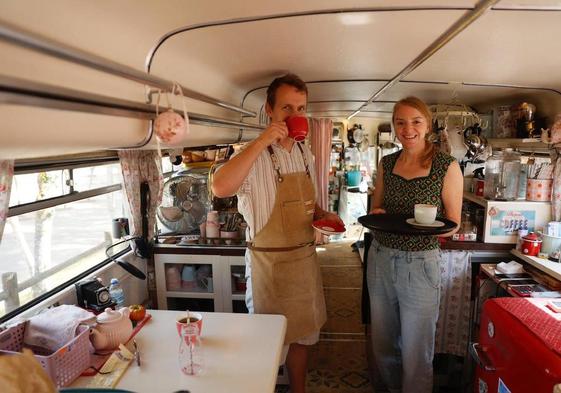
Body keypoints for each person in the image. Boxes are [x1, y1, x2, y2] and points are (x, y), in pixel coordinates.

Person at [212, 73, 343, 393]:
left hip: (304, 262)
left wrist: (323, 215)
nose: (295, 116)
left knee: (302, 340)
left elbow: (307, 206)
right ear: (269, 109)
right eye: (287, 108)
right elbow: (220, 187)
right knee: (267, 348)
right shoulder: (250, 153)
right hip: (268, 268)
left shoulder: (304, 153)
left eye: (301, 108)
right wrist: (261, 141)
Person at [366, 96, 463, 393]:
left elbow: (453, 223)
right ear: (395, 126)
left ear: (428, 125)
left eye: (416, 121)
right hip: (380, 258)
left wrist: (429, 228)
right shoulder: (387, 163)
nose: (408, 129)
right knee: (383, 345)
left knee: (416, 349)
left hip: (420, 263)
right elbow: (377, 208)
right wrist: (376, 214)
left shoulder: (446, 166)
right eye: (401, 122)